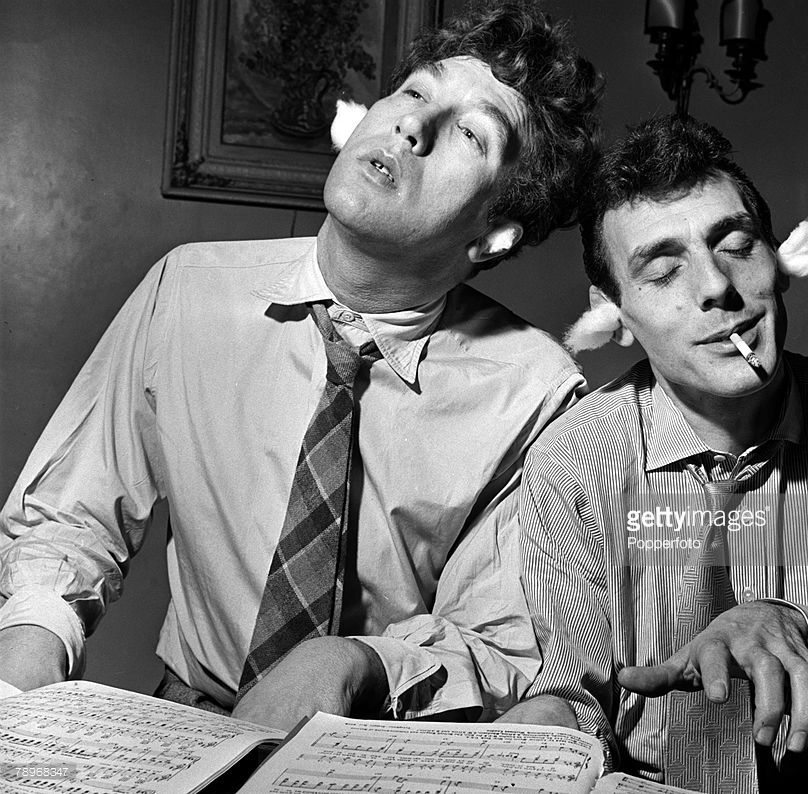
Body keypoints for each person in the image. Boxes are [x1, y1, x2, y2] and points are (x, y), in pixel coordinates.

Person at [0, 2, 602, 730]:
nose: (415, 125)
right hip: (183, 724)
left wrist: (354, 662)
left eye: (472, 133)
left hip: (380, 753)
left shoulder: (537, 392)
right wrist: (30, 648)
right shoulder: (187, 289)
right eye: (415, 91)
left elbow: (503, 643)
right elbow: (71, 516)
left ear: (493, 235)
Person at [500, 115, 808, 792]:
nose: (716, 286)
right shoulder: (571, 458)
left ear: (777, 262)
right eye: (663, 271)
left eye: (737, 245)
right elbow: (576, 692)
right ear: (614, 314)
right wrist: (544, 731)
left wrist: (807, 634)